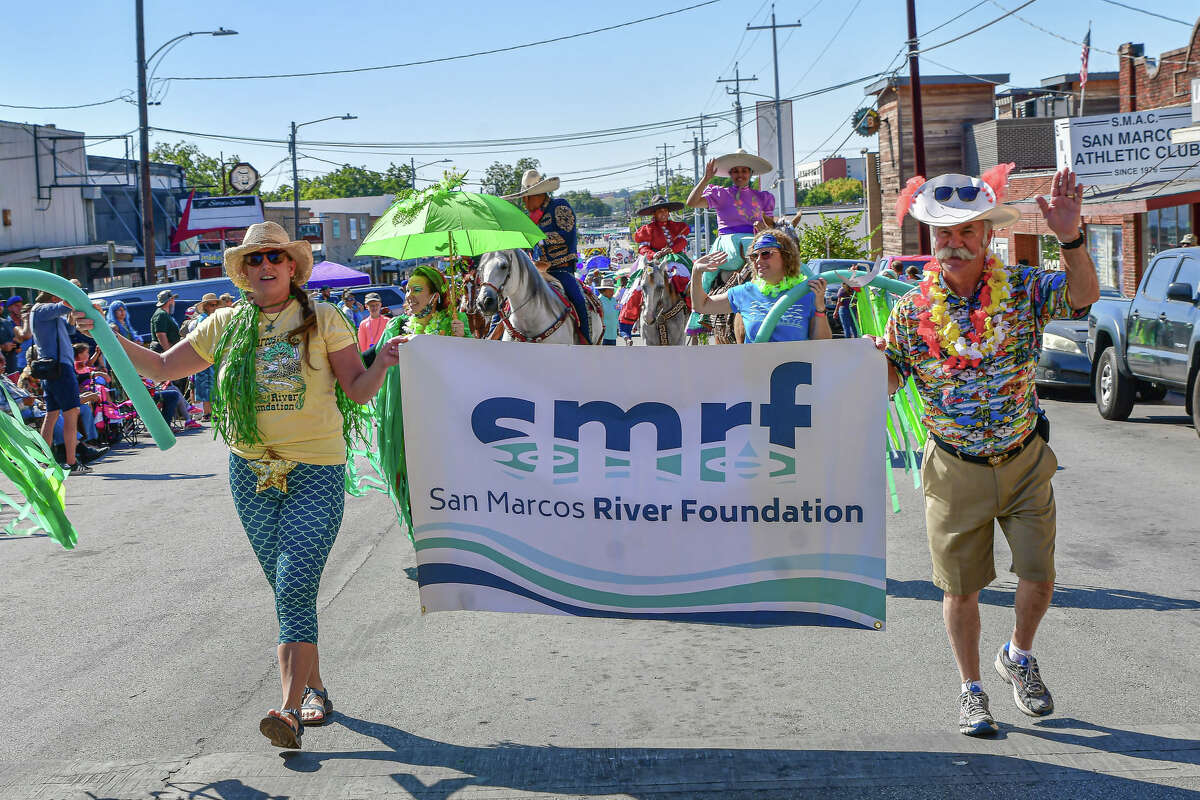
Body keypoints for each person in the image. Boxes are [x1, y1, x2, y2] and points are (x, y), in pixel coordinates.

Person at [110, 221, 405, 750]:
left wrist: (380, 361)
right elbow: (160, 369)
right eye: (254, 259)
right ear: (243, 272)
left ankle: (287, 712)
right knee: (286, 587)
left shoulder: (323, 318)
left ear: (292, 267)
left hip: (316, 468)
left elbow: (357, 393)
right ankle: (314, 690)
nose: (264, 266)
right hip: (250, 473)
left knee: (293, 582)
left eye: (274, 257)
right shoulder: (223, 324)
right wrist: (102, 333)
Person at [868, 165, 1099, 737]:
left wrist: (1070, 240)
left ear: (987, 235)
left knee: (1039, 578)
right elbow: (891, 381)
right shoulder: (909, 312)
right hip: (952, 467)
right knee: (961, 589)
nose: (953, 242)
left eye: (966, 230)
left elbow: (1082, 296)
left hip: (1022, 460)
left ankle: (1018, 655)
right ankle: (972, 691)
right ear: (931, 241)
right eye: (943, 233)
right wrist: (872, 363)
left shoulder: (1021, 290)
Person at [684, 149, 776, 342]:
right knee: (707, 271)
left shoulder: (764, 198)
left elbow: (771, 227)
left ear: (751, 173)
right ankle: (698, 313)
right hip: (729, 242)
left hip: (757, 241)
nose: (740, 175)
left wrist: (763, 228)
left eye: (744, 171)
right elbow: (691, 203)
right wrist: (706, 178)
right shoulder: (720, 193)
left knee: (781, 250)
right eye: (735, 171)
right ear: (730, 175)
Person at [690, 230, 829, 343]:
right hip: (755, 374)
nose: (758, 260)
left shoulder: (806, 294)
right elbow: (701, 305)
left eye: (766, 254)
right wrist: (696, 271)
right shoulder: (745, 292)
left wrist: (820, 308)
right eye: (754, 256)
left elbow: (823, 345)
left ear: (786, 257)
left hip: (796, 374)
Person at [503, 169, 592, 342]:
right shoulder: (528, 219)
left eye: (527, 196)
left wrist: (537, 238)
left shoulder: (560, 206)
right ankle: (492, 339)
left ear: (539, 195)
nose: (525, 201)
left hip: (560, 270)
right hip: (531, 272)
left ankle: (586, 343)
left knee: (578, 300)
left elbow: (566, 233)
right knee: (505, 302)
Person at [30, 291, 102, 474]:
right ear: (53, 296)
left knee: (52, 415)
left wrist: (71, 317)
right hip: (60, 369)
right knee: (72, 413)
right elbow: (64, 305)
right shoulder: (42, 310)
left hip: (53, 370)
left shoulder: (43, 313)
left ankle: (44, 462)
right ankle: (72, 462)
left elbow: (69, 330)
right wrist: (72, 293)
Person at [402, 266, 470, 338]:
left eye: (417, 290)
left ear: (435, 297)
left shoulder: (454, 322)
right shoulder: (398, 326)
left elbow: (471, 348)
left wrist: (462, 338)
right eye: (408, 290)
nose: (408, 296)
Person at [633, 196, 692, 270]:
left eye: (666, 211)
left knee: (688, 271)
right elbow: (643, 248)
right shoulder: (647, 229)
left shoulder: (676, 226)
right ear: (654, 214)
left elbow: (682, 241)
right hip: (654, 258)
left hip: (675, 256)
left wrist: (672, 249)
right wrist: (654, 254)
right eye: (660, 211)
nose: (664, 213)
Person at [192, 294, 220, 422]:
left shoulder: (210, 317)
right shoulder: (203, 319)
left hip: (210, 354)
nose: (214, 307)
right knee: (205, 383)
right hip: (203, 355)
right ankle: (207, 413)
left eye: (215, 304)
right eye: (211, 305)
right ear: (205, 306)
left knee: (212, 383)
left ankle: (212, 412)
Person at [596, 278, 619, 346]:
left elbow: (617, 314)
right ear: (604, 291)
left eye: (613, 290)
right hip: (603, 336)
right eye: (611, 290)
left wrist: (617, 327)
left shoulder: (614, 300)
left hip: (613, 334)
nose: (613, 292)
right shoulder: (598, 301)